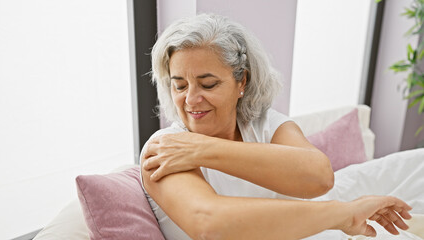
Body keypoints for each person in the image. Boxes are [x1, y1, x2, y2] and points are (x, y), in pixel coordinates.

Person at [140, 13, 412, 239]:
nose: (190, 99)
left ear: (241, 82)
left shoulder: (265, 125)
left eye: (208, 84)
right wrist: (343, 214)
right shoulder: (164, 149)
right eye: (179, 85)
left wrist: (202, 148)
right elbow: (210, 224)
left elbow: (320, 178)